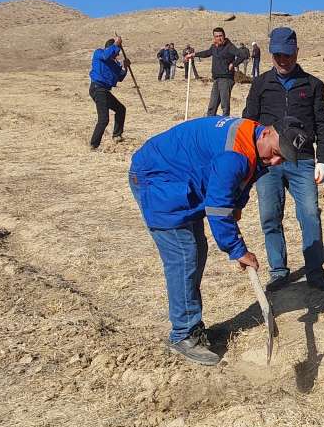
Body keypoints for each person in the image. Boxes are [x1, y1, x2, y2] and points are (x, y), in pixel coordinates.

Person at [129, 115, 308, 364]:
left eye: (283, 159)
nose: (276, 161)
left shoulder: (253, 138)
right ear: (267, 133)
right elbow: (217, 207)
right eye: (277, 153)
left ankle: (192, 325)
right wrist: (237, 249)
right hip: (158, 178)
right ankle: (183, 334)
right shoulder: (234, 155)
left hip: (180, 176)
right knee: (184, 255)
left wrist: (237, 205)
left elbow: (242, 179)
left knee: (196, 251)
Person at [241, 27, 324, 292]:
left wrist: (323, 159)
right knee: (270, 216)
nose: (283, 60)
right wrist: (249, 160)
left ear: (297, 52)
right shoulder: (260, 84)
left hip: (302, 162)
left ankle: (315, 273)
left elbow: (323, 125)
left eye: (288, 55)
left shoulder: (313, 85)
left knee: (310, 215)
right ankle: (279, 271)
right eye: (278, 55)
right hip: (267, 164)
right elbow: (248, 123)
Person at [186, 28, 249, 117]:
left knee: (224, 105)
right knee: (212, 104)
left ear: (224, 36)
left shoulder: (229, 46)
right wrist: (193, 54)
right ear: (214, 38)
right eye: (216, 36)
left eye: (220, 36)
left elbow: (242, 55)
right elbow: (207, 53)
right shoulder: (214, 47)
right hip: (216, 78)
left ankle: (224, 121)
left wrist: (233, 64)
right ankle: (210, 121)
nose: (219, 38)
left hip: (226, 78)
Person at [89, 37, 128, 150]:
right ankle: (94, 145)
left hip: (105, 91)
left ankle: (117, 135)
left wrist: (125, 67)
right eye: (116, 51)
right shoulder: (99, 53)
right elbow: (106, 55)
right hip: (97, 88)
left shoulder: (113, 63)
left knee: (121, 109)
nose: (117, 54)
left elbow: (120, 77)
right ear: (110, 48)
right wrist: (116, 44)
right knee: (104, 119)